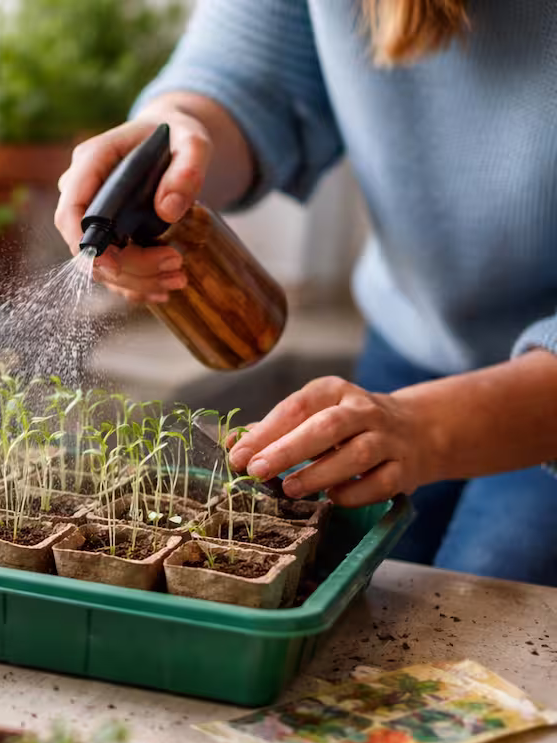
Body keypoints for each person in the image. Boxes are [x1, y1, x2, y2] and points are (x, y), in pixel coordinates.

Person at [53, 0, 557, 587]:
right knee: (359, 594)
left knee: (488, 597)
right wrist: (176, 131)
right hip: (411, 344)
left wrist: (428, 430)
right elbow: (246, 74)